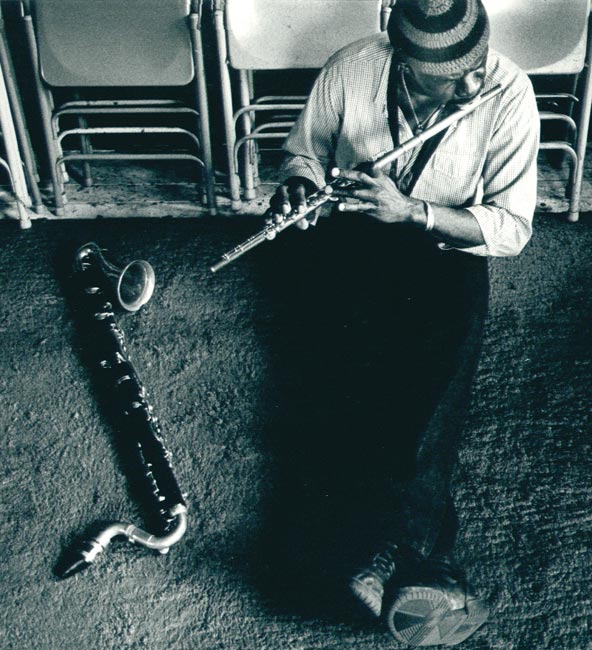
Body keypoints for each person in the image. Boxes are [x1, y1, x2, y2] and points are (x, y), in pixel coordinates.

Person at [268, 0, 539, 646]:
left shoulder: (508, 94)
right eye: (450, 75)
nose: (471, 82)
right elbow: (301, 153)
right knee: (342, 385)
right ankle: (407, 564)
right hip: (354, 239)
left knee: (437, 384)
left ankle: (394, 550)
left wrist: (414, 212)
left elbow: (511, 228)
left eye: (474, 64)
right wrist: (298, 189)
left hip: (446, 247)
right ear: (406, 65)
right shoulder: (351, 70)